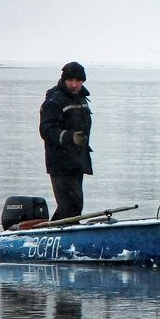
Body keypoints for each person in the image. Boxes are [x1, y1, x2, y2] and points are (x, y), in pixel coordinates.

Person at [39, 61, 93, 220]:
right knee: (70, 205)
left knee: (75, 205)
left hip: (77, 161)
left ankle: (65, 230)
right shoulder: (55, 101)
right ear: (64, 80)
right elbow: (46, 129)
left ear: (83, 81)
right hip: (60, 162)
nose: (74, 84)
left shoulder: (81, 99)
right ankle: (59, 231)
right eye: (70, 80)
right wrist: (70, 137)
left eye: (78, 80)